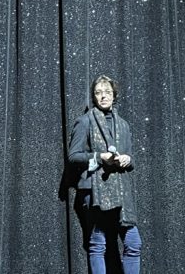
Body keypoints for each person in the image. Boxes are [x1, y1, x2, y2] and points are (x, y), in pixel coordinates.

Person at [68, 75, 142, 274]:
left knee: (133, 244)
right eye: (98, 93)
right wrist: (100, 157)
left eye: (107, 92)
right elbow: (73, 156)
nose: (103, 96)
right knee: (98, 244)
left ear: (114, 95)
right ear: (93, 97)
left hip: (121, 191)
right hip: (95, 191)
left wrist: (127, 159)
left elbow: (132, 160)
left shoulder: (123, 125)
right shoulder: (84, 122)